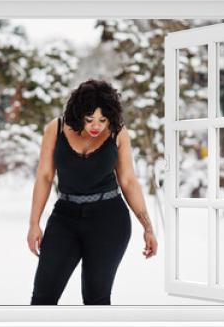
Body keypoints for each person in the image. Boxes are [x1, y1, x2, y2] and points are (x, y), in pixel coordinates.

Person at [27, 78, 158, 305]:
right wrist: (34, 223)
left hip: (109, 220)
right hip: (65, 217)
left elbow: (128, 181)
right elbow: (45, 176)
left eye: (103, 119)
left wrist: (147, 227)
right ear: (78, 113)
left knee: (96, 299)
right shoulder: (55, 129)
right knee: (43, 296)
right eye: (89, 119)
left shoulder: (118, 134)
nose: (96, 126)